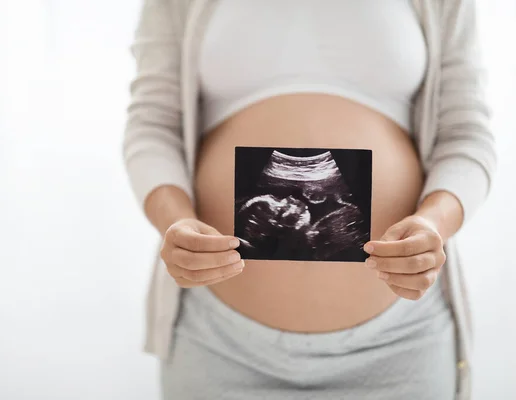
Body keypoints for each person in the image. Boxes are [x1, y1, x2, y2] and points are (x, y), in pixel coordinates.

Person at [122, 0, 496, 399]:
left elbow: (465, 133)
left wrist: (433, 224)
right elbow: (153, 126)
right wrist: (173, 222)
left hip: (399, 343)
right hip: (220, 344)